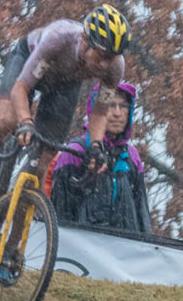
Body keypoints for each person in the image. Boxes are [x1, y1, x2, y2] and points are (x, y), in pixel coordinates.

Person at [0, 4, 130, 199]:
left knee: (43, 163)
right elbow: (21, 88)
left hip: (65, 83)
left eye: (110, 58)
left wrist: (95, 146)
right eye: (101, 56)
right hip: (27, 64)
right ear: (85, 39)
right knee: (7, 122)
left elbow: (100, 112)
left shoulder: (115, 67)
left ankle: (19, 223)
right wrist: (25, 122)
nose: (104, 64)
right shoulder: (58, 38)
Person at [50, 82, 151, 233]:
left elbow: (142, 215)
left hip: (126, 253)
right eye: (110, 105)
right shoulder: (75, 152)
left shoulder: (132, 157)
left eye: (123, 106)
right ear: (97, 111)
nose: (117, 113)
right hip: (81, 251)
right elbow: (58, 214)